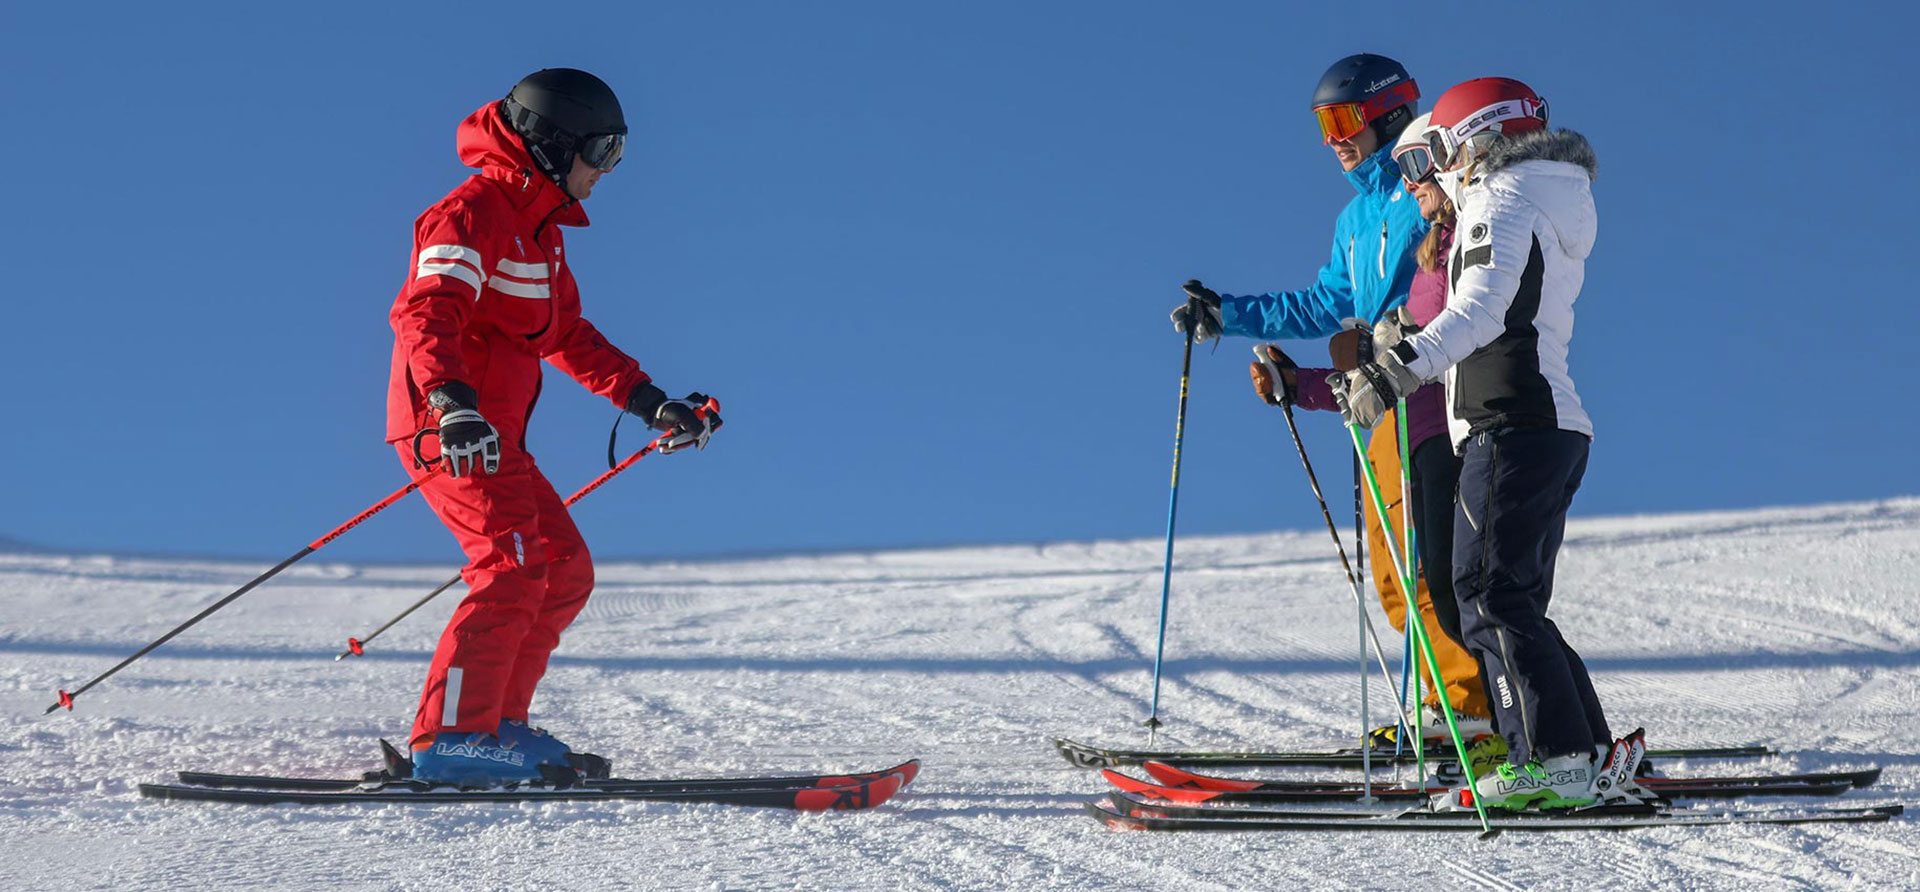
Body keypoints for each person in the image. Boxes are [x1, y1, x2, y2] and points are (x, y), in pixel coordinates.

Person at [385, 68, 721, 787]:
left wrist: (648, 399)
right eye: (601, 152)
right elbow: (426, 311)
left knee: (563, 570)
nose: (606, 172)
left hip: (495, 434)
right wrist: (452, 404)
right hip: (452, 426)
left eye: (616, 156)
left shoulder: (538, 232)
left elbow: (565, 334)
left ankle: (496, 723)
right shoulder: (469, 213)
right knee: (508, 566)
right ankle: (449, 739)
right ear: (550, 144)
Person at [1333, 77, 1643, 809]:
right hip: (1538, 424)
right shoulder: (1534, 197)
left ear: (1476, 137)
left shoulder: (1502, 202)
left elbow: (1476, 312)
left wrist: (1391, 372)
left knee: (1484, 594)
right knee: (1510, 600)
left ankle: (1549, 760)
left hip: (1510, 424)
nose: (1435, 171)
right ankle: (1585, 754)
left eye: (1439, 151)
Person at [1248, 113, 1492, 749]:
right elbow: (1322, 304)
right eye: (1321, 123)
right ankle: (1444, 706)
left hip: (1429, 397)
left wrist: (1391, 336)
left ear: (1388, 113)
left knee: (1432, 567)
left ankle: (1467, 706)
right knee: (1392, 578)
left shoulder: (1432, 196)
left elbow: (1450, 298)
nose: (1332, 137)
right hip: (1379, 395)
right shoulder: (1354, 221)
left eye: (1343, 118)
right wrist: (1234, 320)